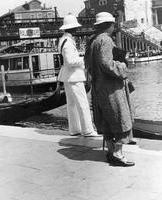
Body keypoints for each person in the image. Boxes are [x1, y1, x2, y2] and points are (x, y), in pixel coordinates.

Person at [88, 12, 135, 166]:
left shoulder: (94, 41)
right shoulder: (106, 40)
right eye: (113, 25)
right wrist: (123, 66)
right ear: (108, 25)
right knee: (121, 119)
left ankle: (110, 151)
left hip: (99, 88)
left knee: (107, 120)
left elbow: (91, 65)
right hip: (111, 89)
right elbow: (107, 63)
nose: (114, 27)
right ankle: (117, 154)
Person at [58, 13, 98, 137]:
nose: (77, 29)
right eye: (75, 27)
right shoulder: (68, 42)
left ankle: (75, 129)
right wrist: (85, 60)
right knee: (83, 103)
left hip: (67, 76)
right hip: (74, 76)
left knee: (72, 105)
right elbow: (70, 61)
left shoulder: (63, 40)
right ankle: (88, 130)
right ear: (72, 28)